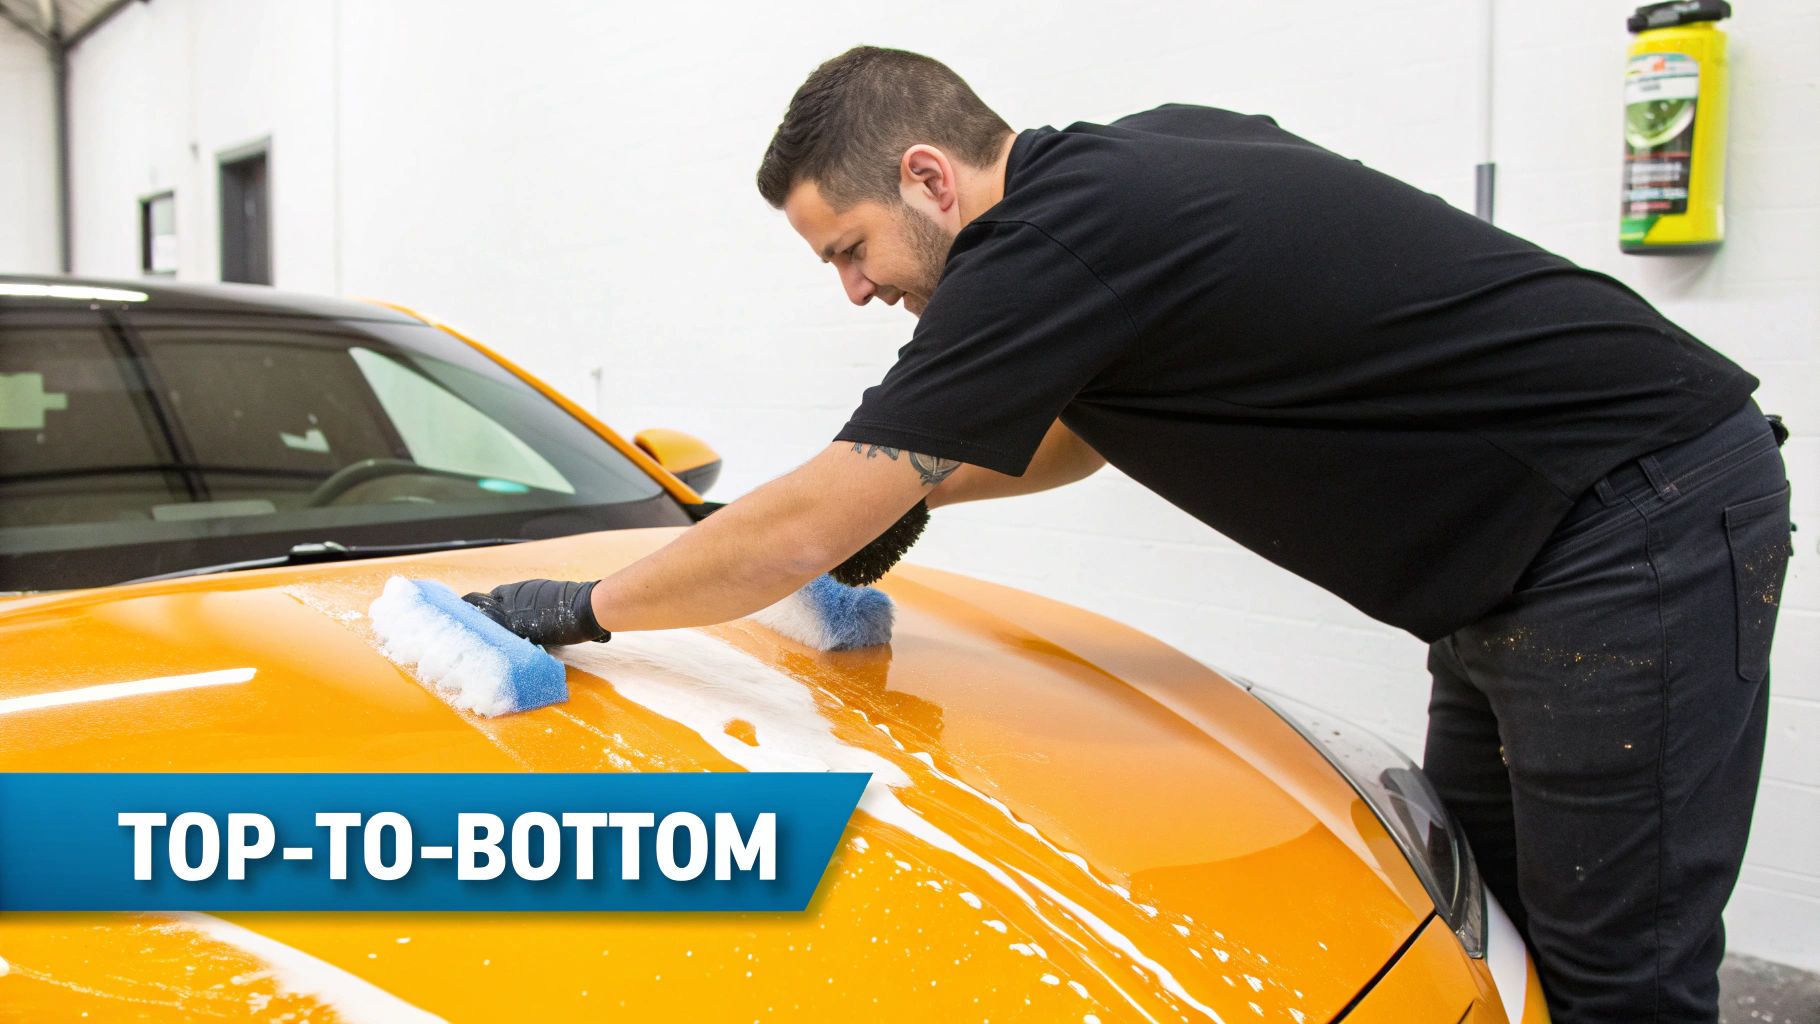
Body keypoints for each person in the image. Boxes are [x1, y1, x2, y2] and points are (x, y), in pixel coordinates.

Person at [467, 46, 1792, 1023]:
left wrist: (587, 606)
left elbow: (805, 514)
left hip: (1635, 530)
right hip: (1531, 563)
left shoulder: (1049, 245)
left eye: (850, 248)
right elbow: (1090, 431)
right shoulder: (1136, 167)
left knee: (1623, 980)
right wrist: (913, 495)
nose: (858, 287)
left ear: (928, 176)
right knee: (1494, 933)